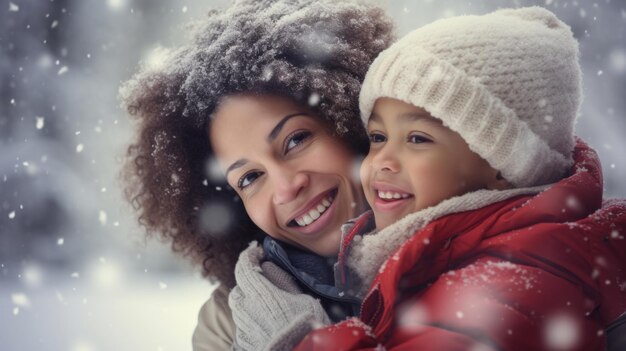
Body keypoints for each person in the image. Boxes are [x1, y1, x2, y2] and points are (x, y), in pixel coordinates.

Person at [232, 7, 626, 350]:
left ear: (502, 166)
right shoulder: (453, 254)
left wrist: (296, 337)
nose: (382, 160)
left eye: (417, 139)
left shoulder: (510, 280)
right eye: (378, 137)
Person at [119, 0, 393, 350]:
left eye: (296, 140)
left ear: (350, 120)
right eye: (249, 178)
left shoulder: (467, 231)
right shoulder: (229, 325)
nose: (286, 186)